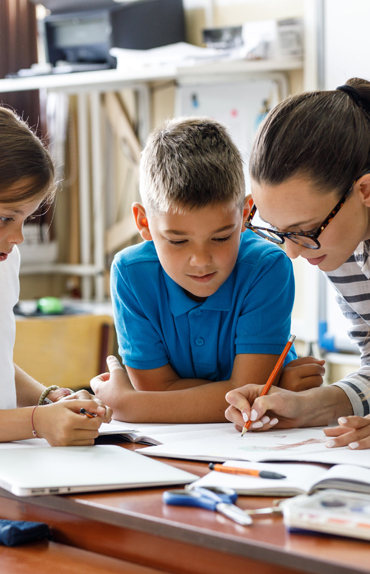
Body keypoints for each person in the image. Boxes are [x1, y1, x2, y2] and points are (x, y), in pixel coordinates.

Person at [90, 117, 324, 423]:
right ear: (144, 223)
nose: (201, 260)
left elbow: (245, 394)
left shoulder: (266, 267)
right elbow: (242, 395)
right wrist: (273, 386)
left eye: (221, 237)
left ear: (245, 215)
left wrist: (128, 405)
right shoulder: (131, 274)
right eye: (177, 240)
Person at [224, 76, 370, 450]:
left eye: (304, 230)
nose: (291, 252)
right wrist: (304, 407)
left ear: (365, 191)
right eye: (278, 231)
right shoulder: (343, 251)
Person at [0, 106, 111, 445]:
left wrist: (48, 398)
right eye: (6, 218)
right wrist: (36, 422)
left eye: (26, 220)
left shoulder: (6, 261)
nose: (18, 237)